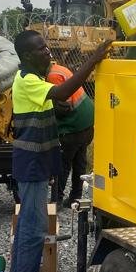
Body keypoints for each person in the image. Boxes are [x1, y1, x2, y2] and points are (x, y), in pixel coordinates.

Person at [8, 29, 112, 272]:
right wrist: (92, 60)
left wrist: (55, 107)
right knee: (33, 227)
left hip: (36, 163)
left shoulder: (32, 80)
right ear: (28, 55)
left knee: (30, 225)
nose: (48, 52)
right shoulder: (28, 80)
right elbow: (65, 90)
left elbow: (51, 101)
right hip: (31, 165)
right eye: (42, 49)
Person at [47, 60, 95, 208]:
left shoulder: (52, 76)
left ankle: (57, 200)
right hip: (87, 120)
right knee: (79, 160)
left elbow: (64, 107)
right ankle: (76, 197)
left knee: (63, 162)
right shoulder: (59, 68)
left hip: (73, 125)